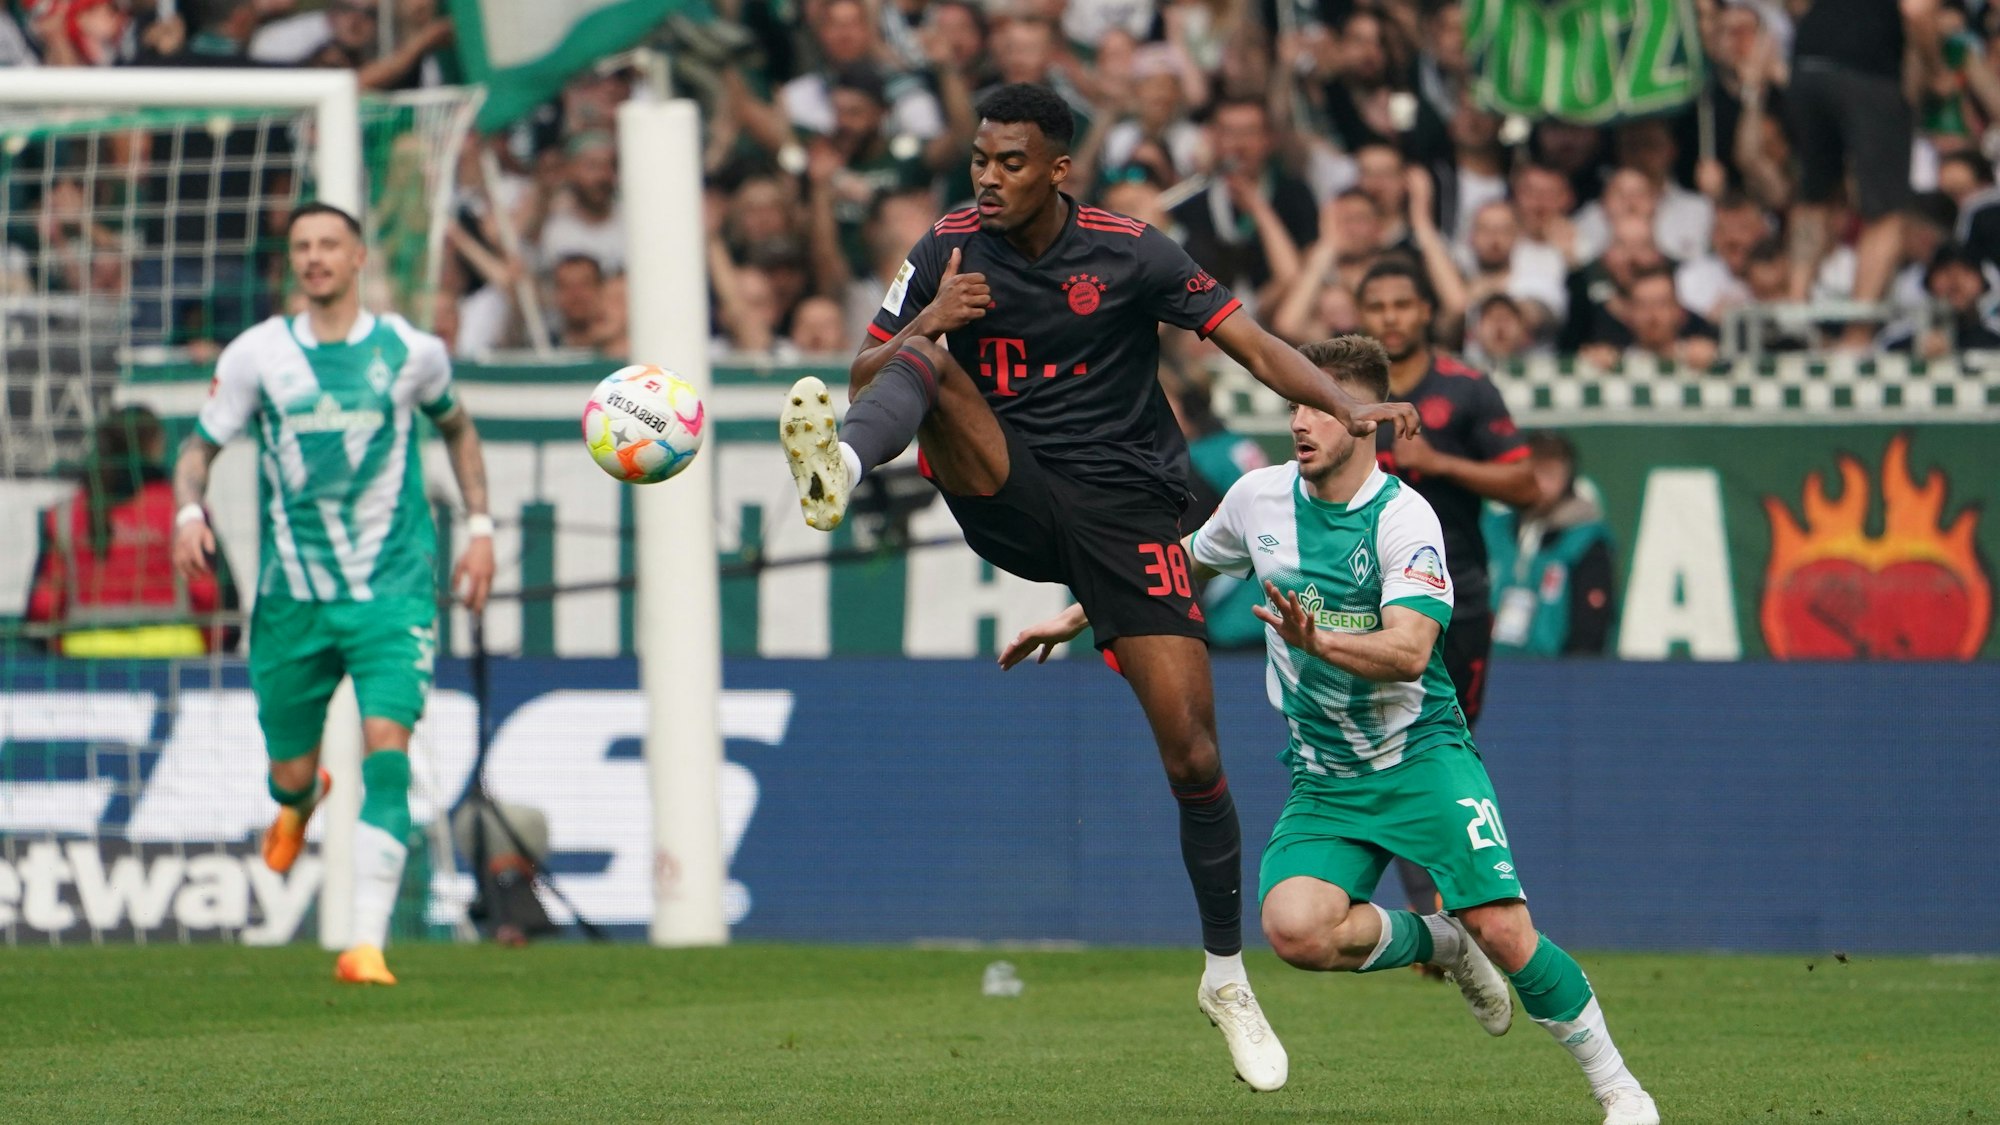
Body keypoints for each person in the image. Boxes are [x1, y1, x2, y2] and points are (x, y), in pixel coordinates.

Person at [775, 83, 1419, 1092]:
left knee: (1192, 752)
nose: (988, 179)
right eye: (980, 160)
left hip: (1127, 514)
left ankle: (1221, 979)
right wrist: (930, 318)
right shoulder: (946, 248)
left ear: (1057, 169)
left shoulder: (1133, 250)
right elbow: (864, 371)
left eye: (1011, 163)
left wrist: (1345, 401)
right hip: (1007, 487)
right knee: (928, 366)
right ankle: (842, 474)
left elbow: (1249, 345)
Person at [999, 337, 1659, 1125]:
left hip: (1420, 754)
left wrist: (1323, 643)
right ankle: (1444, 944)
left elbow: (1413, 649)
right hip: (1326, 774)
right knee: (1295, 928)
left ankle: (1620, 1087)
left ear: (1365, 420)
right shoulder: (1256, 499)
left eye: (1319, 405)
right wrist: (1075, 616)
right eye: (1293, 404)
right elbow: (1179, 566)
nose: (1300, 422)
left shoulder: (1405, 517)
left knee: (1506, 928)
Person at [170, 202, 495, 987]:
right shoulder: (258, 355)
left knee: (389, 750)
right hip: (293, 601)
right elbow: (197, 448)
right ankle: (298, 797)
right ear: (294, 263)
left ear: (357, 259)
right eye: (302, 247)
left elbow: (457, 427)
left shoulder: (412, 353)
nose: (314, 258)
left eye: (328, 246)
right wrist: (188, 510)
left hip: (392, 592)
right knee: (289, 770)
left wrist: (481, 525)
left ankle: (365, 942)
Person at [1356, 258, 1538, 924]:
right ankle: (1433, 901)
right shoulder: (1345, 400)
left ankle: (1448, 897)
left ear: (1426, 311)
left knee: (1444, 743)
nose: (1390, 318)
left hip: (1455, 594)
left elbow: (1527, 486)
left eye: (1402, 304)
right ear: (1361, 314)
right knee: (1389, 738)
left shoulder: (1466, 390)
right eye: (1377, 306)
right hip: (1368, 599)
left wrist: (1443, 465)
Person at [25, 406, 237, 657]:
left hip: (86, 664)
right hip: (174, 660)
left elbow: (42, 608)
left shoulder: (64, 514)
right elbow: (210, 594)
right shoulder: (181, 511)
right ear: (154, 445)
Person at [1483, 431, 1617, 658]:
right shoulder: (1493, 529)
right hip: (1491, 665)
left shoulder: (1585, 539)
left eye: (1551, 474)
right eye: (1534, 472)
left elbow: (1592, 627)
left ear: (1568, 479)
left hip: (1555, 675)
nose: (1541, 483)